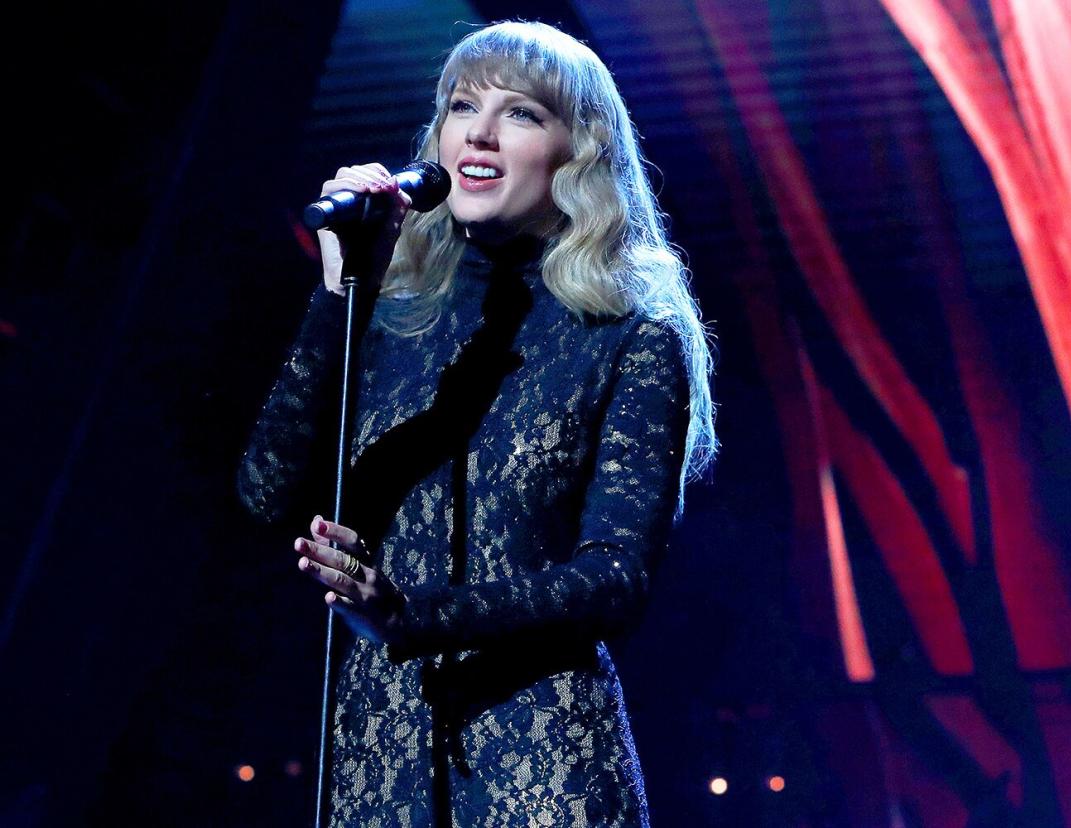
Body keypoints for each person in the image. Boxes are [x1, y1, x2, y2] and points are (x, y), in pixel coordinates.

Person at [237, 19, 716, 827]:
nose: (481, 132)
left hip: (538, 762)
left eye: (522, 113)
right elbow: (264, 492)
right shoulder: (391, 314)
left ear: (581, 150)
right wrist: (337, 296)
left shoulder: (632, 331)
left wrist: (409, 614)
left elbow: (615, 579)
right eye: (463, 106)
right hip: (376, 765)